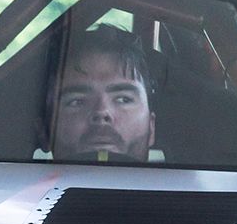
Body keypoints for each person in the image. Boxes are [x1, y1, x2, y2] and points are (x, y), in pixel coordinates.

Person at [49, 27, 156, 162]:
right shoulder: (16, 180)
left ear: (151, 127)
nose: (101, 112)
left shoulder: (187, 181)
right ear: (47, 130)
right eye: (77, 101)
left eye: (123, 99)